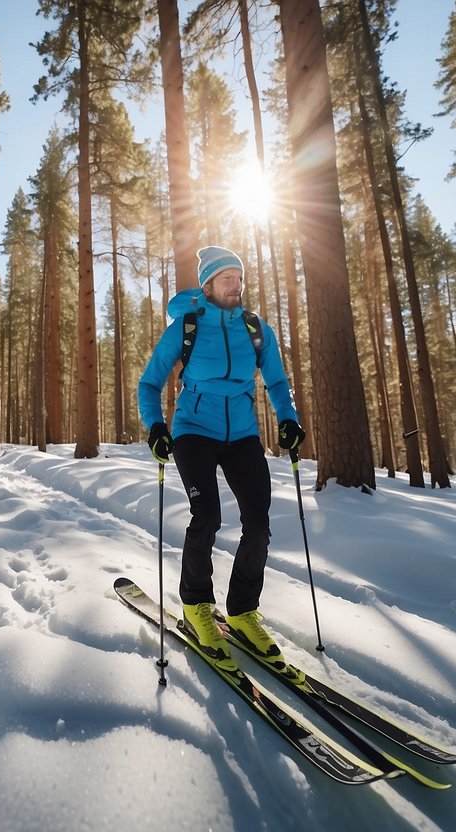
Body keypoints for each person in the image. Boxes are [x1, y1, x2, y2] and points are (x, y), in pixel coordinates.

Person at [137, 245, 306, 674]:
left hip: (243, 435)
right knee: (207, 515)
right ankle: (196, 605)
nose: (236, 285)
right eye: (227, 278)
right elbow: (149, 383)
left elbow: (278, 382)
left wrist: (288, 420)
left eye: (240, 277)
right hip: (193, 432)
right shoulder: (187, 327)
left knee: (259, 523)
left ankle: (242, 611)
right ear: (207, 284)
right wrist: (157, 427)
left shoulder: (255, 328)